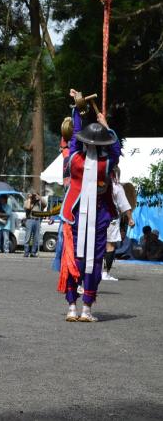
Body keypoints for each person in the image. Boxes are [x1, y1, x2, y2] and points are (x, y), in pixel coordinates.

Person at [58, 97, 121, 323]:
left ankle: (72, 307)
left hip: (73, 215)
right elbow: (116, 149)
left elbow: (74, 136)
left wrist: (78, 110)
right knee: (93, 261)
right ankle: (87, 309)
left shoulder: (74, 159)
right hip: (100, 215)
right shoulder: (107, 164)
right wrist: (106, 125)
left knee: (73, 259)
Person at [103, 167, 135, 280]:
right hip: (111, 219)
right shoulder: (117, 187)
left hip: (97, 218)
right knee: (110, 245)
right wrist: (130, 219)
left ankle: (93, 272)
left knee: (96, 244)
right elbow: (124, 205)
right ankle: (105, 273)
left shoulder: (99, 184)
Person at [23, 192, 44, 257]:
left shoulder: (39, 203)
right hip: (30, 219)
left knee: (36, 238)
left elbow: (45, 204)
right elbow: (28, 207)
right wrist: (30, 199)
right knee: (28, 237)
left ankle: (33, 252)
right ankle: (26, 252)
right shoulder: (26, 201)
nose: (34, 196)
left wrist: (39, 197)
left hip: (37, 220)